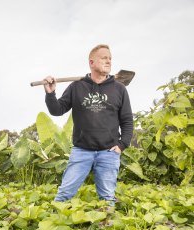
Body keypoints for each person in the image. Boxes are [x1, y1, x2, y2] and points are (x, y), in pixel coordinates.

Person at [43, 44, 134, 205]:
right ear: (91, 63)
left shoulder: (119, 89)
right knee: (64, 194)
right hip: (81, 151)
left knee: (107, 198)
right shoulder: (77, 87)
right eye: (104, 58)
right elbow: (57, 110)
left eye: (110, 58)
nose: (108, 61)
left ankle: (106, 226)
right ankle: (52, 226)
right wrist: (50, 93)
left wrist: (122, 145)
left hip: (109, 151)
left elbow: (127, 120)